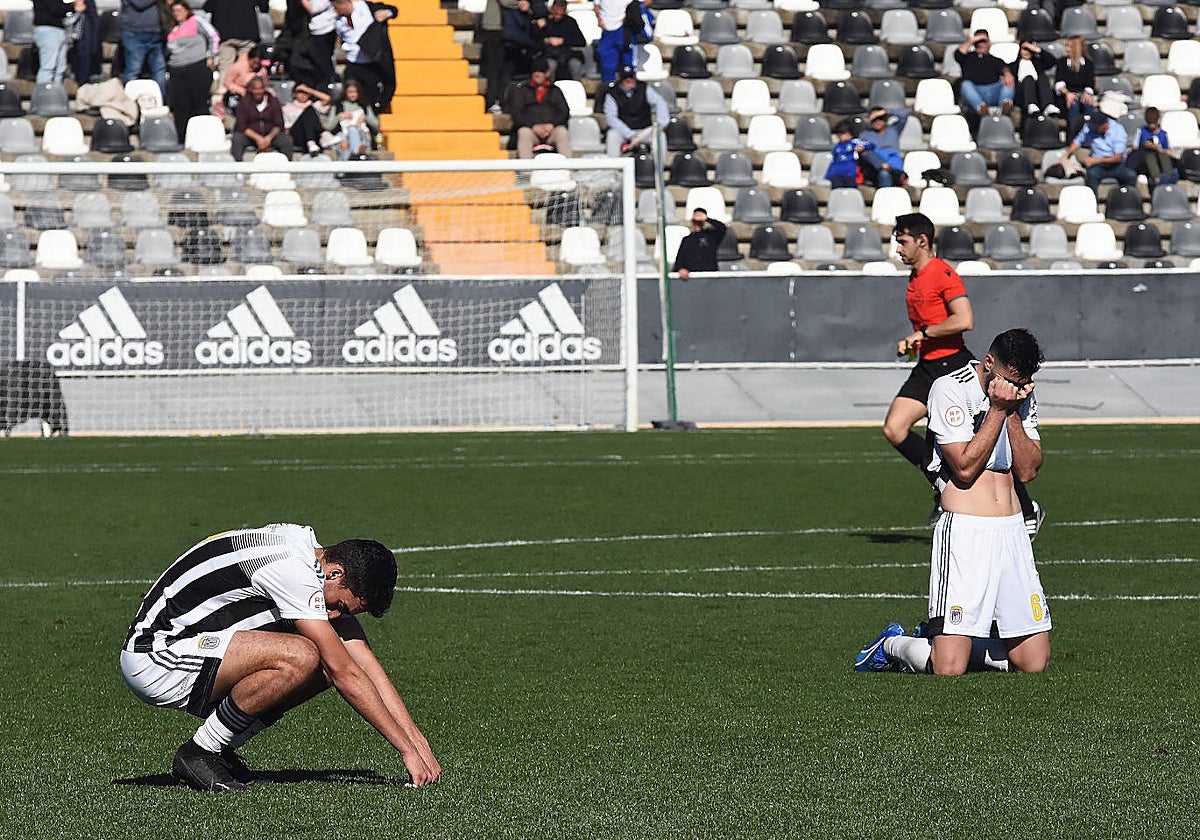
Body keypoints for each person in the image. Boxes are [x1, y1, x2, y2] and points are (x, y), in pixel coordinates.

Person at [119, 523, 442, 791]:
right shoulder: (292, 570)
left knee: (330, 652)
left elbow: (364, 663)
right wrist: (404, 750)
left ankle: (217, 750)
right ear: (335, 573)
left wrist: (417, 742)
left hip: (196, 642)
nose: (333, 615)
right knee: (303, 655)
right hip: (156, 657)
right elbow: (346, 674)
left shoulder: (305, 551)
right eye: (340, 606)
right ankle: (199, 753)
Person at [856, 329, 1052, 677]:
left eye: (1022, 384)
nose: (1017, 389)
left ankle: (954, 638)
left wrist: (1012, 412)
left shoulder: (1019, 396)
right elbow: (963, 467)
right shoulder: (950, 388)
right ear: (988, 363)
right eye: (1010, 381)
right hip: (966, 530)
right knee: (948, 668)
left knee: (1034, 663)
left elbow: (1028, 470)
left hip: (1011, 532)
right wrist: (997, 409)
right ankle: (891, 645)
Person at [165, 0, 219, 141]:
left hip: (196, 66)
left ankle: (204, 136)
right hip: (177, 69)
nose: (177, 13)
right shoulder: (172, 29)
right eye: (174, 11)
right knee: (180, 105)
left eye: (180, 10)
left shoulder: (196, 21)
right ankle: (183, 137)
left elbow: (213, 36)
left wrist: (211, 56)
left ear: (187, 11)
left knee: (199, 103)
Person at [333, 0, 398, 114]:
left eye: (337, 8)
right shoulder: (337, 20)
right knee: (351, 93)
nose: (336, 11)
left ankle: (374, 113)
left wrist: (387, 13)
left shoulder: (366, 7)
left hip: (372, 61)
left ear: (344, 3)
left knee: (374, 93)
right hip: (353, 62)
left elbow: (393, 10)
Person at [1061, 110, 1136, 195]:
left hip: (1116, 165)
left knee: (1131, 175)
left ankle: (1128, 199)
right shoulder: (1089, 127)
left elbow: (1118, 157)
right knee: (1091, 175)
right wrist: (1065, 156)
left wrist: (1096, 160)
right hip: (1098, 166)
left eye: (1096, 126)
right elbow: (1077, 142)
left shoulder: (1118, 130)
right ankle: (1093, 201)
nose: (1093, 128)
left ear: (1105, 124)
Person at [510, 57, 572, 158]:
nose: (537, 74)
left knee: (562, 132)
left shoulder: (555, 90)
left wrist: (552, 125)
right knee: (524, 132)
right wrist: (532, 126)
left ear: (547, 73)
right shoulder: (521, 90)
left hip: (552, 130)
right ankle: (526, 167)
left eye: (541, 71)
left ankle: (568, 166)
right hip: (531, 130)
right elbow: (516, 112)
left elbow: (564, 112)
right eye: (535, 71)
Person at [603, 65, 669, 156]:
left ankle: (658, 164)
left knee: (660, 136)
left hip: (644, 130)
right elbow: (611, 118)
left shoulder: (644, 88)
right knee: (612, 135)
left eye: (631, 76)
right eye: (625, 77)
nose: (629, 80)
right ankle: (613, 164)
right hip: (623, 131)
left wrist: (662, 123)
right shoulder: (612, 94)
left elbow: (660, 102)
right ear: (620, 79)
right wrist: (630, 135)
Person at [203, 0, 270, 83]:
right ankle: (246, 90)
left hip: (225, 35)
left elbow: (207, 8)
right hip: (248, 34)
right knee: (247, 71)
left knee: (226, 72)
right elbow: (264, 8)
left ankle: (225, 89)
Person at [953, 29, 1014, 117]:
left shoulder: (996, 60)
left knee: (1009, 81)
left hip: (992, 91)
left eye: (984, 41)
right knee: (965, 84)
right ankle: (982, 110)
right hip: (975, 92)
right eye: (978, 41)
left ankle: (1004, 108)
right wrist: (973, 39)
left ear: (989, 42)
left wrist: (1007, 74)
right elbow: (958, 54)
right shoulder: (967, 57)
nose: (981, 43)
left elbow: (1004, 68)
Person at [231, 76, 295, 159]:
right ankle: (237, 165)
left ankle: (288, 164)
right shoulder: (244, 103)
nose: (258, 92)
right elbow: (242, 126)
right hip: (251, 136)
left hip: (270, 135)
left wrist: (268, 138)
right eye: (255, 89)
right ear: (250, 89)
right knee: (237, 139)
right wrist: (258, 139)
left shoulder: (273, 101)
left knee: (286, 140)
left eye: (260, 89)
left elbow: (279, 124)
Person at [119, 0, 167, 101]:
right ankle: (128, 103)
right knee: (133, 70)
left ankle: (161, 100)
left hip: (156, 34)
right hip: (134, 34)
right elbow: (140, 3)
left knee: (159, 69)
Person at [33, 0, 85, 85]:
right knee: (48, 67)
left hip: (59, 30)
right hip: (48, 30)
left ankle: (56, 91)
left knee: (60, 68)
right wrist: (73, 7)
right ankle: (43, 91)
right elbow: (55, 8)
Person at [1054, 35, 1096, 139]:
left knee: (1087, 102)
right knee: (1074, 103)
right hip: (1066, 96)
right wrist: (1067, 94)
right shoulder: (1062, 62)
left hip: (1081, 94)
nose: (1067, 49)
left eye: (1069, 47)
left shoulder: (1088, 64)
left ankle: (1090, 136)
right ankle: (1073, 136)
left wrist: (1087, 93)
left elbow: (1090, 84)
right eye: (1066, 46)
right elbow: (1059, 83)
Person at [534, 0, 586, 81]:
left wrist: (562, 41)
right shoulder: (544, 22)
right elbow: (533, 41)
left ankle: (576, 86)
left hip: (566, 54)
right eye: (556, 14)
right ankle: (550, 87)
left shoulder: (570, 22)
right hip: (549, 54)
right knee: (550, 65)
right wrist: (546, 39)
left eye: (561, 14)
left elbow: (581, 41)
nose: (558, 16)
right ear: (552, 9)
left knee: (575, 64)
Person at [1127, 107, 1179, 188]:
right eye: (1149, 123)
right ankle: (1156, 179)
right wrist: (1145, 146)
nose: (1151, 125)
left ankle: (1167, 177)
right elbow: (1134, 147)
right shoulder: (1141, 131)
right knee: (1149, 156)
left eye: (1153, 123)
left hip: (1160, 159)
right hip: (1144, 160)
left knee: (1163, 157)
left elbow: (1169, 152)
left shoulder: (1163, 134)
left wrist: (1158, 148)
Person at [856, 107, 909, 187]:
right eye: (875, 119)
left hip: (894, 168)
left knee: (884, 173)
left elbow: (905, 114)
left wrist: (885, 111)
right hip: (874, 168)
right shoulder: (865, 134)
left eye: (881, 118)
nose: (877, 121)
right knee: (867, 152)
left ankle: (887, 169)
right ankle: (884, 166)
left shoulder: (893, 130)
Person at [1007, 40, 1058, 118]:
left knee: (1042, 77)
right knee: (1029, 78)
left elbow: (1052, 61)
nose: (1027, 52)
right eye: (1025, 49)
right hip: (1022, 95)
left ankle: (1048, 105)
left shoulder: (1038, 64)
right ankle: (1031, 104)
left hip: (1039, 94)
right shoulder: (1013, 66)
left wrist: (1037, 50)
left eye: (1030, 50)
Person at [330, 79, 379, 160]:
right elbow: (329, 126)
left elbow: (376, 124)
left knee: (354, 131)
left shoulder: (364, 105)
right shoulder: (338, 105)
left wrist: (365, 116)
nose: (353, 95)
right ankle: (354, 156)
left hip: (362, 135)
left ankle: (355, 155)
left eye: (355, 92)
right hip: (343, 135)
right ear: (345, 92)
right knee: (347, 139)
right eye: (350, 92)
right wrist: (339, 116)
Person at [672, 208, 726, 279]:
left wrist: (707, 219)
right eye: (695, 222)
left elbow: (722, 228)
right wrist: (680, 269)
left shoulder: (712, 237)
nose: (697, 224)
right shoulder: (687, 240)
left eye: (699, 222)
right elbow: (680, 258)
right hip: (692, 277)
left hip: (710, 276)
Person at [283, 82, 334, 156]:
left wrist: (308, 89)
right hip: (297, 135)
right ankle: (323, 134)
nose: (303, 95)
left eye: (305, 92)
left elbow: (327, 98)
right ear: (294, 94)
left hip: (314, 136)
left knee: (310, 109)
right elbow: (286, 127)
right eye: (300, 92)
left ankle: (311, 142)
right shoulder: (287, 108)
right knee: (307, 112)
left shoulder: (314, 105)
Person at [221, 44, 268, 113]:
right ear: (249, 58)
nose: (256, 66)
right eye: (254, 62)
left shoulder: (262, 70)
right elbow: (227, 82)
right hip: (237, 96)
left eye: (258, 63)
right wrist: (241, 90)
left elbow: (264, 84)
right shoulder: (238, 66)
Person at [595, 0, 632, 83]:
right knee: (607, 63)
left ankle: (629, 87)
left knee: (627, 62)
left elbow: (641, 3)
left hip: (623, 28)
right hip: (606, 29)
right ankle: (609, 85)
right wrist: (599, 20)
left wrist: (628, 18)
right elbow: (596, 5)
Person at [827, 120, 868, 189]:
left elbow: (869, 144)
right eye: (839, 135)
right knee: (837, 187)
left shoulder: (855, 143)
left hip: (850, 173)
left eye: (846, 134)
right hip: (837, 173)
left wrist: (862, 148)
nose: (840, 137)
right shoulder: (837, 147)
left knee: (851, 187)